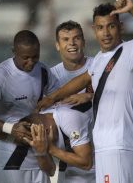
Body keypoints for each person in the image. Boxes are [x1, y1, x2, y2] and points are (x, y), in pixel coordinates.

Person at [37, 0, 133, 183]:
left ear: (120, 27)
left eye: (111, 26)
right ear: (94, 30)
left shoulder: (130, 51)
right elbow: (83, 79)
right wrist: (52, 98)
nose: (106, 33)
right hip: (104, 147)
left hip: (120, 144)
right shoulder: (99, 59)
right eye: (101, 27)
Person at [0, 30, 59, 183]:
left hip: (38, 154)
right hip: (7, 158)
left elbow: (58, 101)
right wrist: (9, 130)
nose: (31, 62)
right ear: (14, 52)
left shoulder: (43, 71)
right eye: (25, 58)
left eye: (35, 57)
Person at [50, 20, 96, 183]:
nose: (72, 43)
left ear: (83, 41)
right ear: (57, 45)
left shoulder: (99, 66)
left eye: (76, 38)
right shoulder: (51, 77)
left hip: (103, 159)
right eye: (66, 39)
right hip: (69, 166)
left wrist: (91, 97)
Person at [24, 105, 94, 183]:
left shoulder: (69, 120)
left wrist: (50, 148)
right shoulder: (36, 131)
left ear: (46, 131)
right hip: (69, 173)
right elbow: (50, 172)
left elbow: (86, 163)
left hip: (96, 168)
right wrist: (40, 153)